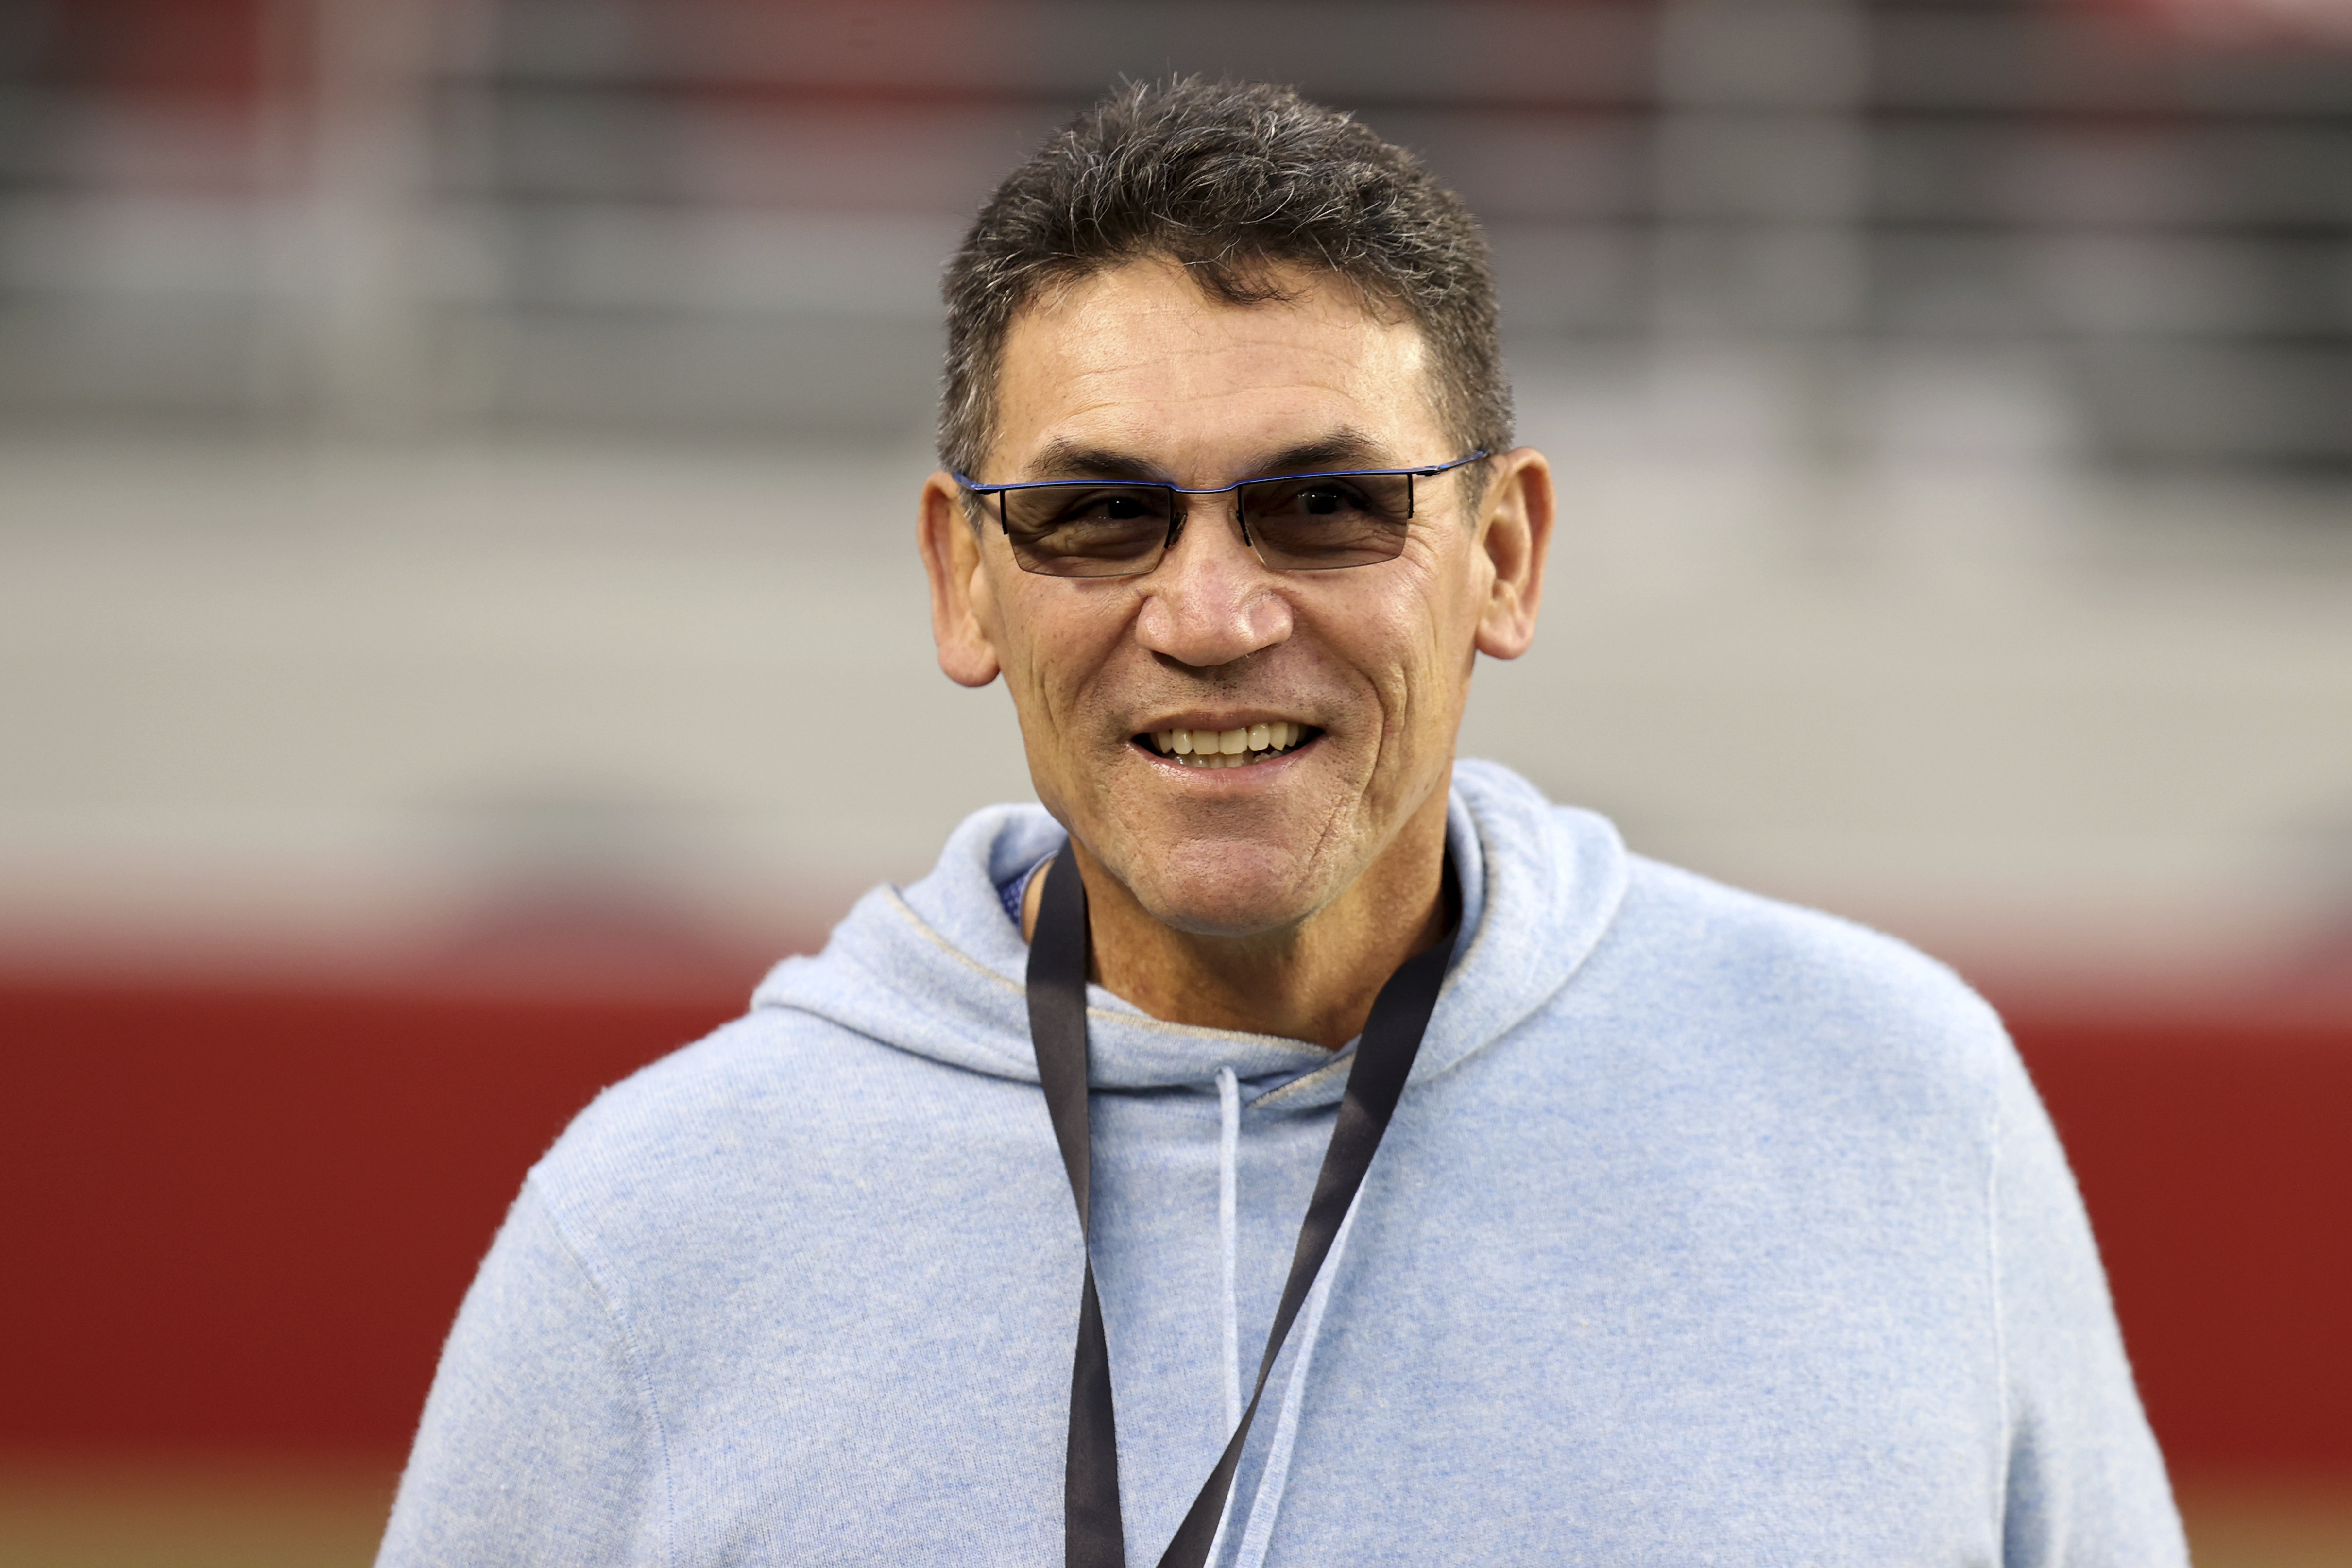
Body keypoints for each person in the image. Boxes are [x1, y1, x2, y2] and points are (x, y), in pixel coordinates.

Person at [376, 80, 2185, 1567]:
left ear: (1502, 555)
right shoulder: (658, 1226)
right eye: (1098, 517)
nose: (1213, 614)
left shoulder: (1892, 1107)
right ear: (961, 579)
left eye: (1325, 505)